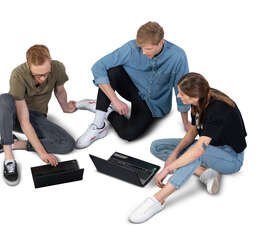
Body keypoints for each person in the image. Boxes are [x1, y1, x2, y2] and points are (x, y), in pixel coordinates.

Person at [128, 72, 247, 223]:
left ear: (194, 96)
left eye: (181, 94)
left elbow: (198, 150)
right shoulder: (200, 100)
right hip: (210, 146)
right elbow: (193, 130)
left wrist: (167, 169)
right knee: (157, 147)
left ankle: (158, 200)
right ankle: (205, 173)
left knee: (195, 154)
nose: (178, 96)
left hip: (231, 158)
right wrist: (174, 154)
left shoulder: (218, 109)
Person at [75, 21, 191, 149]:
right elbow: (98, 67)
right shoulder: (131, 48)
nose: (143, 52)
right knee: (111, 71)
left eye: (148, 49)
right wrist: (115, 99)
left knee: (128, 134)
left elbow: (182, 89)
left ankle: (107, 111)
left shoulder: (178, 56)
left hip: (152, 104)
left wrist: (185, 122)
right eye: (140, 47)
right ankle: (98, 125)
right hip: (132, 89)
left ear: (161, 43)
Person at [0, 44, 88, 186]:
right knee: (4, 98)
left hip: (37, 117)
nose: (43, 78)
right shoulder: (18, 74)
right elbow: (24, 120)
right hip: (16, 116)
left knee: (68, 144)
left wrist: (65, 107)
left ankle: (15, 144)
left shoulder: (57, 68)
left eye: (46, 73)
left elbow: (59, 90)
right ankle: (8, 155)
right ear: (28, 65)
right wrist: (42, 153)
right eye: (38, 75)